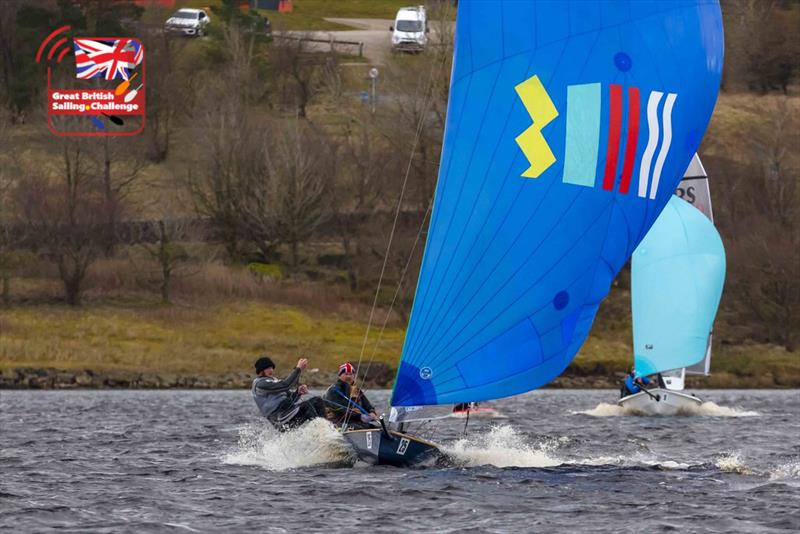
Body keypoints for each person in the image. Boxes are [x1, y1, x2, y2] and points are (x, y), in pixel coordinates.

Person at [251, 356, 326, 430]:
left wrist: (298, 392)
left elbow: (291, 398)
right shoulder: (260, 384)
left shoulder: (273, 380)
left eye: (271, 368)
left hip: (288, 412)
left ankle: (327, 427)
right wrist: (298, 369)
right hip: (279, 418)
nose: (271, 370)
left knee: (317, 401)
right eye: (267, 368)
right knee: (306, 406)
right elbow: (286, 385)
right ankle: (320, 431)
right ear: (261, 371)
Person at [323, 362, 379, 429]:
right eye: (346, 374)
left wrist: (372, 412)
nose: (348, 376)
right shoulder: (333, 390)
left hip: (354, 421)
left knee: (376, 428)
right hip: (335, 421)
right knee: (359, 427)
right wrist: (360, 416)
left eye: (351, 374)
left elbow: (367, 405)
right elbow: (340, 409)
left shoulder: (356, 389)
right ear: (340, 375)